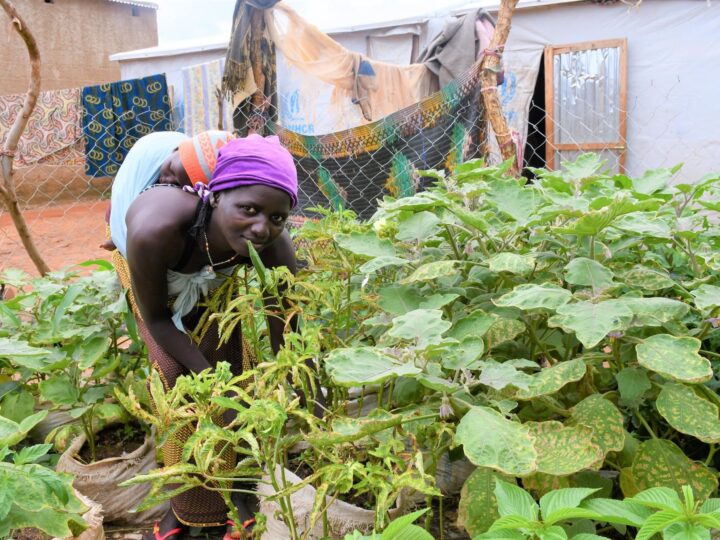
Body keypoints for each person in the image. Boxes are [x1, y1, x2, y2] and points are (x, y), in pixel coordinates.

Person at [123, 134, 299, 540]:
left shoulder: (269, 239)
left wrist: (299, 381)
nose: (261, 227)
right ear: (215, 196)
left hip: (208, 256)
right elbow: (159, 319)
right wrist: (216, 386)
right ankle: (184, 510)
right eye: (249, 209)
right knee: (175, 377)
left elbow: (284, 317)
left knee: (233, 360)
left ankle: (239, 492)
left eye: (276, 217)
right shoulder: (156, 229)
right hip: (153, 258)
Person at [104, 130, 234, 254]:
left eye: (177, 184)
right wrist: (120, 234)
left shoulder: (196, 193)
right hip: (123, 204)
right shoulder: (148, 160)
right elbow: (124, 197)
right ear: (176, 150)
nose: (167, 180)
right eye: (171, 170)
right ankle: (117, 235)